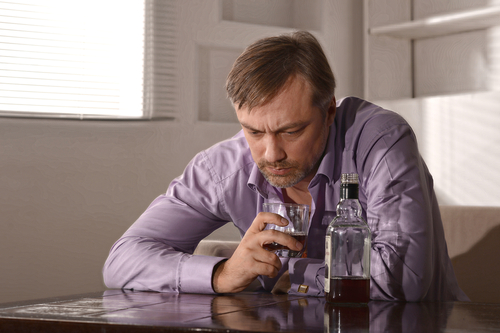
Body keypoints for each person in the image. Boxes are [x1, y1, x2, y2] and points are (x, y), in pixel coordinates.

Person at [103, 31, 469, 301]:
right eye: (253, 131)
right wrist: (221, 274)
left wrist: (289, 273)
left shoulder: (380, 141)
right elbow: (122, 260)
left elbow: (403, 281)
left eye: (290, 130)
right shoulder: (223, 167)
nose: (270, 152)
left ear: (329, 111)